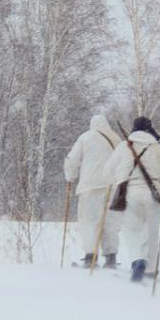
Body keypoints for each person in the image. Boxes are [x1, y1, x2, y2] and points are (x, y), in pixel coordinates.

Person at [103, 116, 160, 282]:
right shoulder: (159, 149)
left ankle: (138, 260)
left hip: (130, 193)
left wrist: (115, 182)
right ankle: (150, 269)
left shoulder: (123, 147)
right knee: (151, 232)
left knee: (132, 231)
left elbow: (107, 172)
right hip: (154, 194)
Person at [63, 114, 122, 268]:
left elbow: (72, 160)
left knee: (90, 222)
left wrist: (70, 177)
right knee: (111, 223)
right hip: (113, 186)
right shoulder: (116, 139)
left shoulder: (86, 137)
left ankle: (91, 257)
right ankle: (111, 257)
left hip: (91, 186)